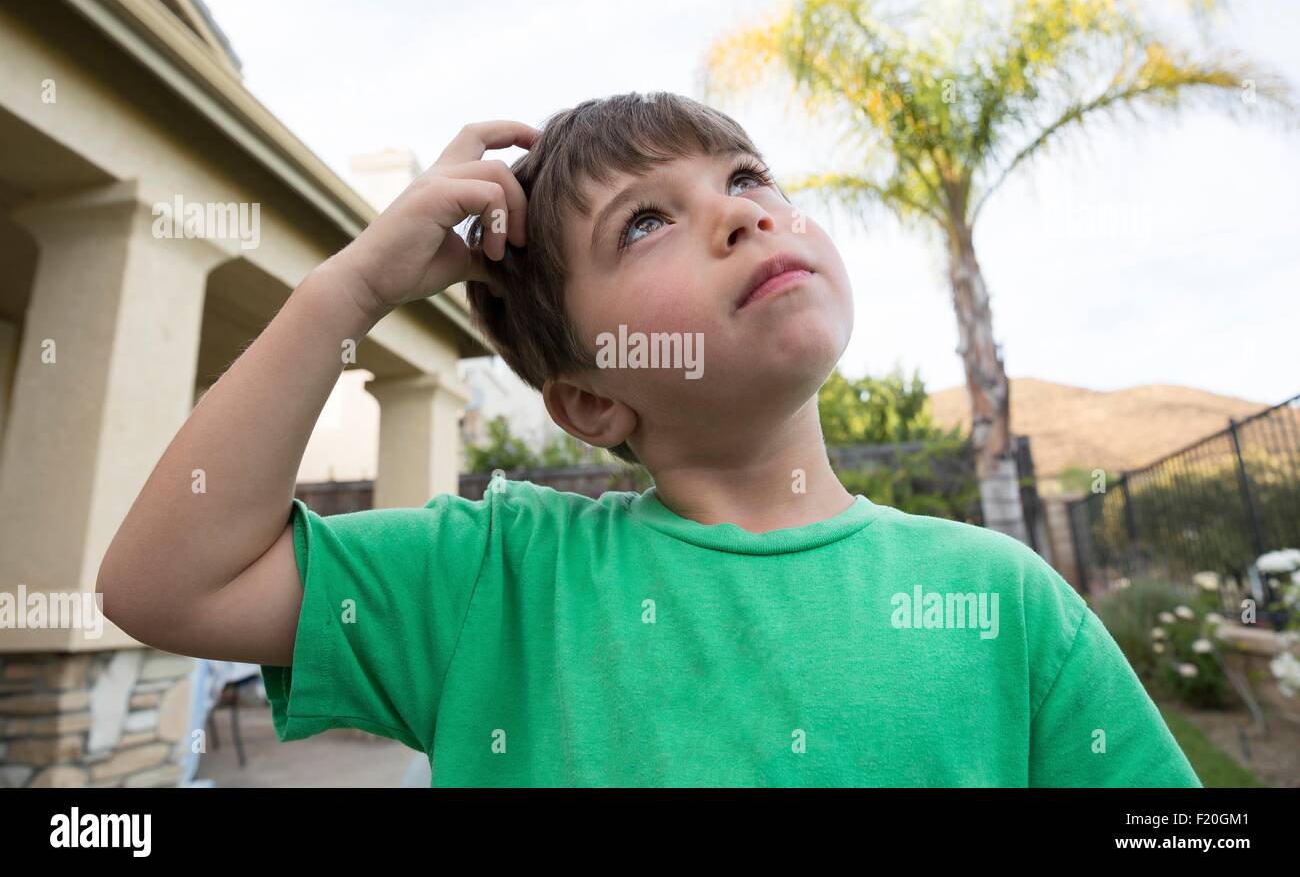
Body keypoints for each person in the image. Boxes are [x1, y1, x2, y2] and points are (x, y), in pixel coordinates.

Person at [97, 92, 1200, 787]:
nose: (741, 211)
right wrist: (350, 288)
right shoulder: (500, 579)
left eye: (746, 176)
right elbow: (161, 584)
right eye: (645, 220)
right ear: (586, 402)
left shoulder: (1004, 599)